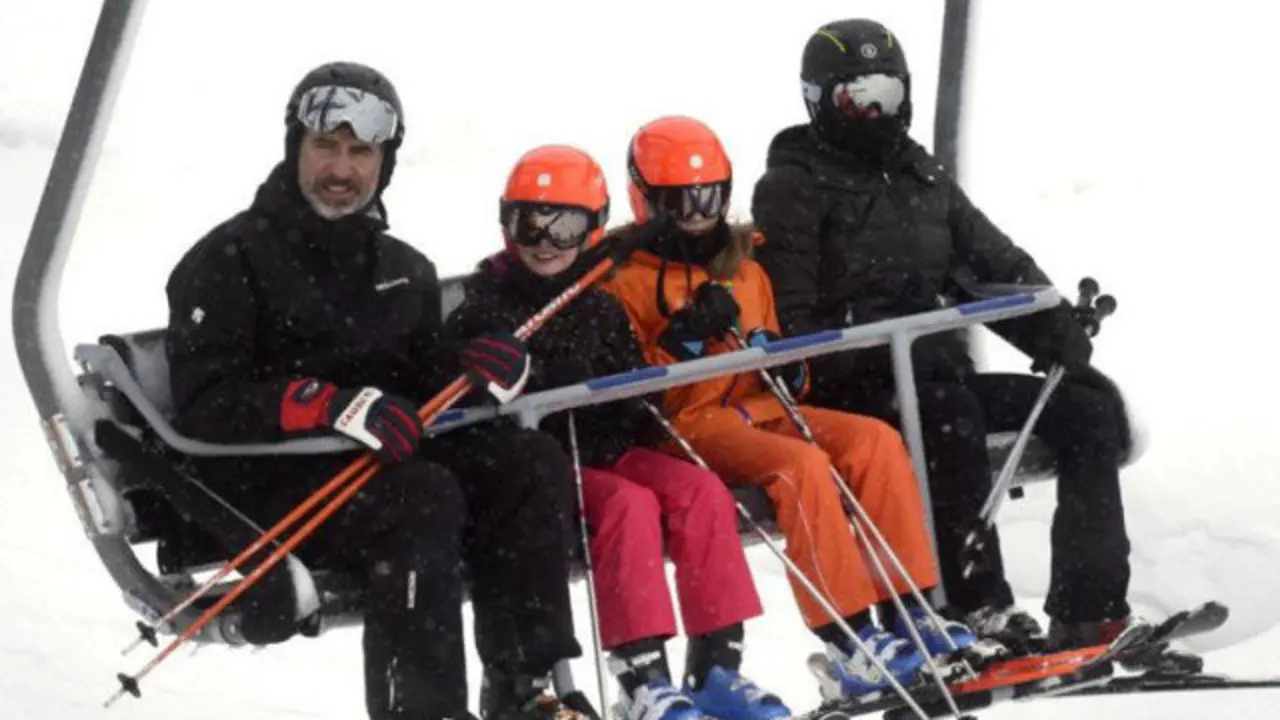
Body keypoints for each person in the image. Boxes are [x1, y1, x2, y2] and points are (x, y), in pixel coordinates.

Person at [164, 61, 582, 719]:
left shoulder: (402, 268)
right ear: (295, 147)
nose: (341, 169)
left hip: (382, 470)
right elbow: (206, 404)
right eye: (325, 146)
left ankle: (525, 688)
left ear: (384, 163)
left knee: (527, 461)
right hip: (274, 488)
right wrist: (323, 404)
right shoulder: (227, 261)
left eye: (360, 152)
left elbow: (423, 382)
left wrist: (479, 371)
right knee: (421, 495)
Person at [750, 18, 1137, 652]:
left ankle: (1090, 611)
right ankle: (974, 606)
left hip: (935, 374)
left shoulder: (918, 175)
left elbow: (991, 262)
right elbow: (791, 319)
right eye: (856, 97)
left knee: (1087, 408)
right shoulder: (793, 188)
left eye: (887, 94)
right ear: (819, 101)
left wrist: (1052, 327)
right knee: (949, 414)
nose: (875, 113)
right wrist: (879, 348)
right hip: (854, 391)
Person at [602, 115, 983, 701]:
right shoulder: (624, 281)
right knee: (799, 466)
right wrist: (683, 340)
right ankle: (847, 634)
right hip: (689, 426)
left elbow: (783, 357)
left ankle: (909, 606)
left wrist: (788, 368)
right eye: (679, 201)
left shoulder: (745, 268)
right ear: (645, 200)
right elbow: (632, 395)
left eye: (711, 197)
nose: (698, 213)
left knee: (874, 441)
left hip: (756, 409)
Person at [444, 144, 791, 720]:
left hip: (610, 446)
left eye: (565, 226)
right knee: (630, 506)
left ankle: (717, 667)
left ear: (595, 226)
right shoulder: (488, 304)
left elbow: (639, 391)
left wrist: (628, 385)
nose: (546, 242)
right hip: (550, 466)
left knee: (702, 491)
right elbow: (462, 383)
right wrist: (535, 380)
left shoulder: (600, 302)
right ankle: (642, 676)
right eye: (529, 223)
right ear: (506, 223)